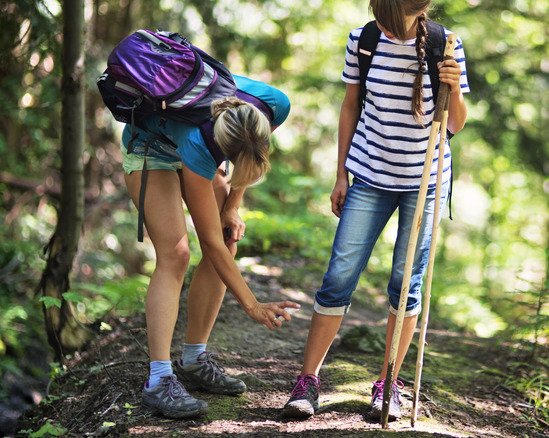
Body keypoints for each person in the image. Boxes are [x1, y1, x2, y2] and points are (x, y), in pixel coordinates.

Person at [282, 0, 468, 422]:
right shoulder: (363, 40)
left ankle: (388, 382)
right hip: (368, 174)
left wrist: (453, 86)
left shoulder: (446, 45)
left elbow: (455, 125)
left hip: (425, 182)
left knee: (406, 284)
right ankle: (308, 380)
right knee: (339, 277)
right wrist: (341, 174)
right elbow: (351, 106)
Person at [121, 74, 301, 419]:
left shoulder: (273, 105)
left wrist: (233, 205)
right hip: (150, 147)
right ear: (221, 148)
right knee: (176, 254)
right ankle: (158, 380)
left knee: (229, 233)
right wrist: (252, 305)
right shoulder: (197, 143)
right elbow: (210, 243)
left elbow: (249, 156)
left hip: (207, 145)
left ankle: (193, 359)